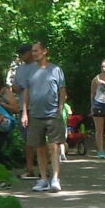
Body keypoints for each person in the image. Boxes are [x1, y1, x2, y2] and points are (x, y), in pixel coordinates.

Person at [15, 40, 68, 192]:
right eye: (32, 51)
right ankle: (43, 179)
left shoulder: (55, 69)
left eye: (36, 50)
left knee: (54, 146)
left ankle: (55, 179)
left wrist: (60, 107)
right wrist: (25, 112)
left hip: (52, 113)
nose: (34, 53)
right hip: (35, 114)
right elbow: (25, 92)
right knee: (39, 147)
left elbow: (62, 90)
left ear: (45, 51)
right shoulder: (30, 71)